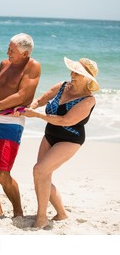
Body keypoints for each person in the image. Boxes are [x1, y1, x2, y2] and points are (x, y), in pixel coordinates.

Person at [21, 57, 99, 228]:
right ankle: (61, 214)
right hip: (50, 134)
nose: (72, 75)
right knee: (42, 174)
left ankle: (41, 217)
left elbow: (65, 120)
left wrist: (38, 116)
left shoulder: (88, 100)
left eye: (77, 73)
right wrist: (31, 108)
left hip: (70, 139)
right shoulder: (63, 86)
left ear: (87, 78)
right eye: (73, 71)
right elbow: (42, 100)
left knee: (39, 170)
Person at [0, 33, 41, 217]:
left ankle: (18, 211)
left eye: (12, 50)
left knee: (2, 173)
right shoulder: (4, 64)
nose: (7, 52)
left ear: (25, 53)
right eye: (8, 48)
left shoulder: (33, 66)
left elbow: (22, 95)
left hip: (11, 123)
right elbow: (0, 90)